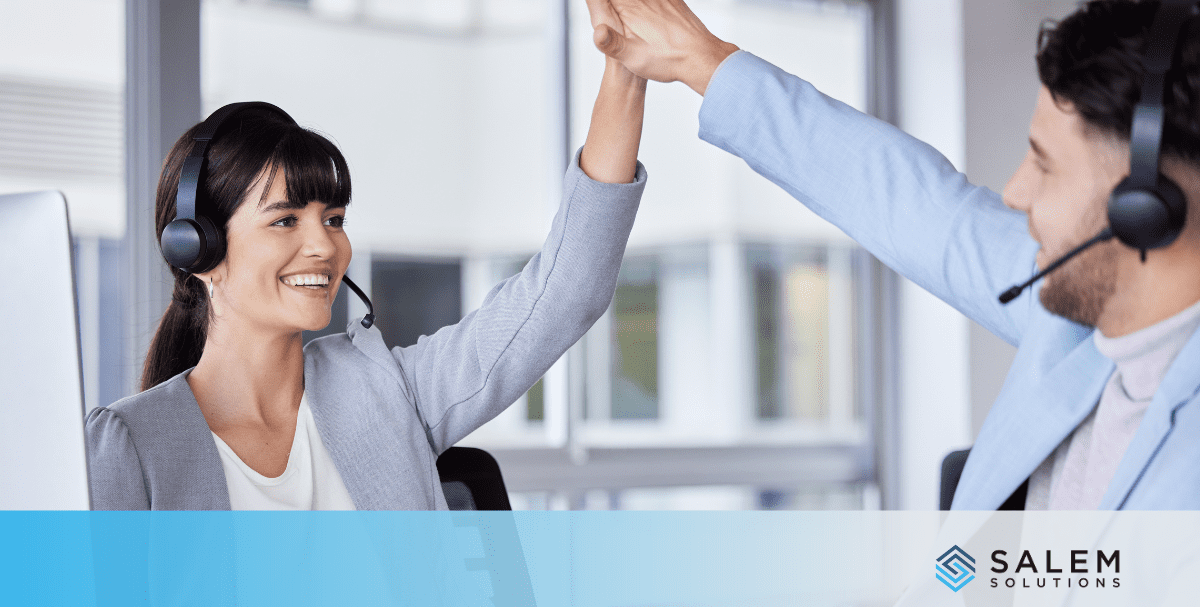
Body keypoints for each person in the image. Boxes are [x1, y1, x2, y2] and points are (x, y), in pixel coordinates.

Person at [586, 0, 1200, 510]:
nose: (1015, 194)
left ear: (1146, 207)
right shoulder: (1079, 312)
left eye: (1044, 164)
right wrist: (702, 61)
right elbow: (908, 200)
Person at [85, 51, 649, 510]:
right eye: (285, 220)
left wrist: (625, 71)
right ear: (198, 247)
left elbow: (563, 294)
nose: (325, 245)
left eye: (333, 219)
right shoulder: (133, 446)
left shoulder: (382, 389)